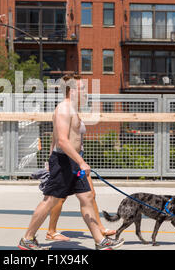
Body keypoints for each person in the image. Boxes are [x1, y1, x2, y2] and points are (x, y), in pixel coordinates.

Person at [18, 74, 124, 250]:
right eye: (83, 89)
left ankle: (100, 241)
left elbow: (60, 137)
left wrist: (78, 160)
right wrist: (79, 162)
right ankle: (27, 239)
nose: (86, 92)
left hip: (73, 161)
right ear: (72, 91)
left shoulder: (73, 109)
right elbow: (62, 140)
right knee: (50, 200)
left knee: (87, 197)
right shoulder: (63, 109)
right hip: (63, 161)